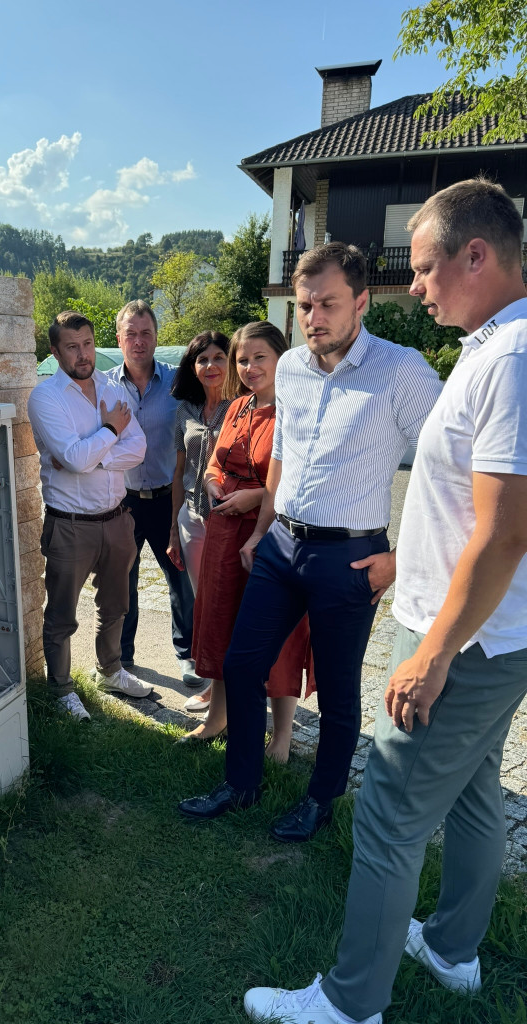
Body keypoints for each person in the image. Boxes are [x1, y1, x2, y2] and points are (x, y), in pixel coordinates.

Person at [241, 178, 527, 1024]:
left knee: (391, 814)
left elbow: (506, 532)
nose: (416, 285)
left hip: (466, 641)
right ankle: (451, 949)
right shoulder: (492, 346)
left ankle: (349, 1000)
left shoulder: (509, 362)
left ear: (478, 256)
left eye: (428, 266)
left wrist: (434, 652)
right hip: (481, 633)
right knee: (475, 794)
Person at [179, 243, 441, 833]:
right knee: (243, 666)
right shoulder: (292, 368)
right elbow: (284, 456)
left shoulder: (403, 371)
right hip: (280, 545)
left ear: (363, 302)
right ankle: (241, 782)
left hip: (350, 555)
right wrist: (262, 532)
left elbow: (458, 470)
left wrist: (400, 561)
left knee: (339, 692)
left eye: (328, 304)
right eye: (303, 306)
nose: (314, 318)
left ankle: (321, 802)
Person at [175, 322, 314, 750]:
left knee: (278, 632)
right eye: (243, 359)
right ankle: (219, 718)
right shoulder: (237, 407)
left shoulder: (298, 409)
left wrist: (254, 497)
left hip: (273, 533)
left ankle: (283, 736)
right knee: (219, 622)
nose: (250, 367)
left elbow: (301, 477)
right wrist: (215, 481)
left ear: (281, 358)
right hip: (222, 530)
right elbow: (215, 461)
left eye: (260, 357)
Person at [27, 310, 152, 721]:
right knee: (62, 614)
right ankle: (61, 689)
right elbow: (80, 456)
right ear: (55, 351)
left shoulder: (110, 388)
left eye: (87, 344)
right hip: (71, 525)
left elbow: (138, 450)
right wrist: (111, 431)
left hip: (117, 519)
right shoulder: (45, 397)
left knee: (116, 605)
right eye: (72, 347)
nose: (83, 355)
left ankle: (111, 671)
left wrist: (92, 455)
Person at [106, 300, 202, 685]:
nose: (139, 341)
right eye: (131, 333)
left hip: (168, 498)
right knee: (122, 582)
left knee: (181, 580)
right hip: (122, 502)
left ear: (156, 337)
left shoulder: (179, 383)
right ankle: (123, 658)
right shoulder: (103, 386)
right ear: (119, 338)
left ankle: (189, 656)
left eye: (146, 333)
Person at [165, 331, 232, 714]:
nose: (211, 366)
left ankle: (233, 689)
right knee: (204, 607)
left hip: (229, 522)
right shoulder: (184, 410)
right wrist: (174, 528)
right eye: (202, 359)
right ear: (193, 366)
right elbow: (178, 473)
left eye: (219, 357)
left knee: (230, 606)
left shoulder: (244, 407)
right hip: (191, 521)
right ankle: (212, 687)